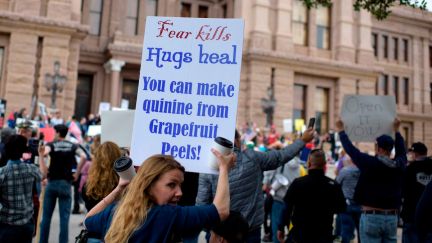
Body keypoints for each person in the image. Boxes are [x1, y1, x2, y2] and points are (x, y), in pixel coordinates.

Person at [85, 150, 235, 242]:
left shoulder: (116, 212)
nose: (179, 193)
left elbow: (88, 220)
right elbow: (221, 211)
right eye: (171, 185)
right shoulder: (165, 215)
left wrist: (119, 188)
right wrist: (223, 168)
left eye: (180, 185)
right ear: (149, 185)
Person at [196, 128, 314, 242]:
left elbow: (201, 208)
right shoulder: (252, 158)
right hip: (249, 232)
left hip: (219, 236)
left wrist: (212, 230)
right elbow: (281, 156)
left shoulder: (207, 169)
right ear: (237, 140)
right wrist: (302, 140)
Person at [336, 118, 407, 243]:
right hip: (392, 217)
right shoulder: (399, 165)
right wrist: (397, 131)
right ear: (390, 149)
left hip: (371, 216)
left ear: (379, 149)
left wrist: (341, 130)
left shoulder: (369, 163)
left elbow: (352, 151)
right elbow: (402, 152)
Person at [276, 149, 346, 243]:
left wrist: (281, 227)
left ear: (309, 163)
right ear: (324, 164)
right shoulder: (333, 185)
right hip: (323, 236)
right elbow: (342, 209)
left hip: (299, 236)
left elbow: (286, 207)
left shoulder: (298, 183)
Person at [38, 124, 86, 243]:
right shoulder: (73, 145)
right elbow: (84, 156)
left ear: (58, 133)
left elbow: (44, 153)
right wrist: (77, 173)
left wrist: (42, 157)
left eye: (55, 132)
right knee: (64, 219)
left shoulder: (52, 145)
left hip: (52, 182)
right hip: (66, 183)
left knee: (46, 218)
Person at [0, 135, 46, 242]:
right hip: (26, 224)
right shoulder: (31, 169)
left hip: (7, 225)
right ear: (23, 151)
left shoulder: (2, 172)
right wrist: (41, 155)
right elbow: (43, 174)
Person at [265, 156, 306, 243]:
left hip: (278, 199)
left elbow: (268, 178)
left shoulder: (280, 164)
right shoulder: (301, 167)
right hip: (294, 202)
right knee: (292, 227)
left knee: (276, 226)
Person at [402, 142, 432, 243]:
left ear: (415, 154)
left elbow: (403, 191)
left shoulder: (410, 169)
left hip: (411, 215)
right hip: (429, 217)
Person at [81, 141, 122, 211]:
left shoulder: (88, 187)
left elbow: (88, 207)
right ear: (118, 158)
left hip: (94, 220)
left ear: (96, 160)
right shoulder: (123, 184)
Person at [336, 155, 361, 243]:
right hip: (360, 204)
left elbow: (337, 184)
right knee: (360, 230)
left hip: (347, 203)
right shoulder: (363, 172)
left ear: (350, 160)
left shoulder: (344, 171)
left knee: (345, 229)